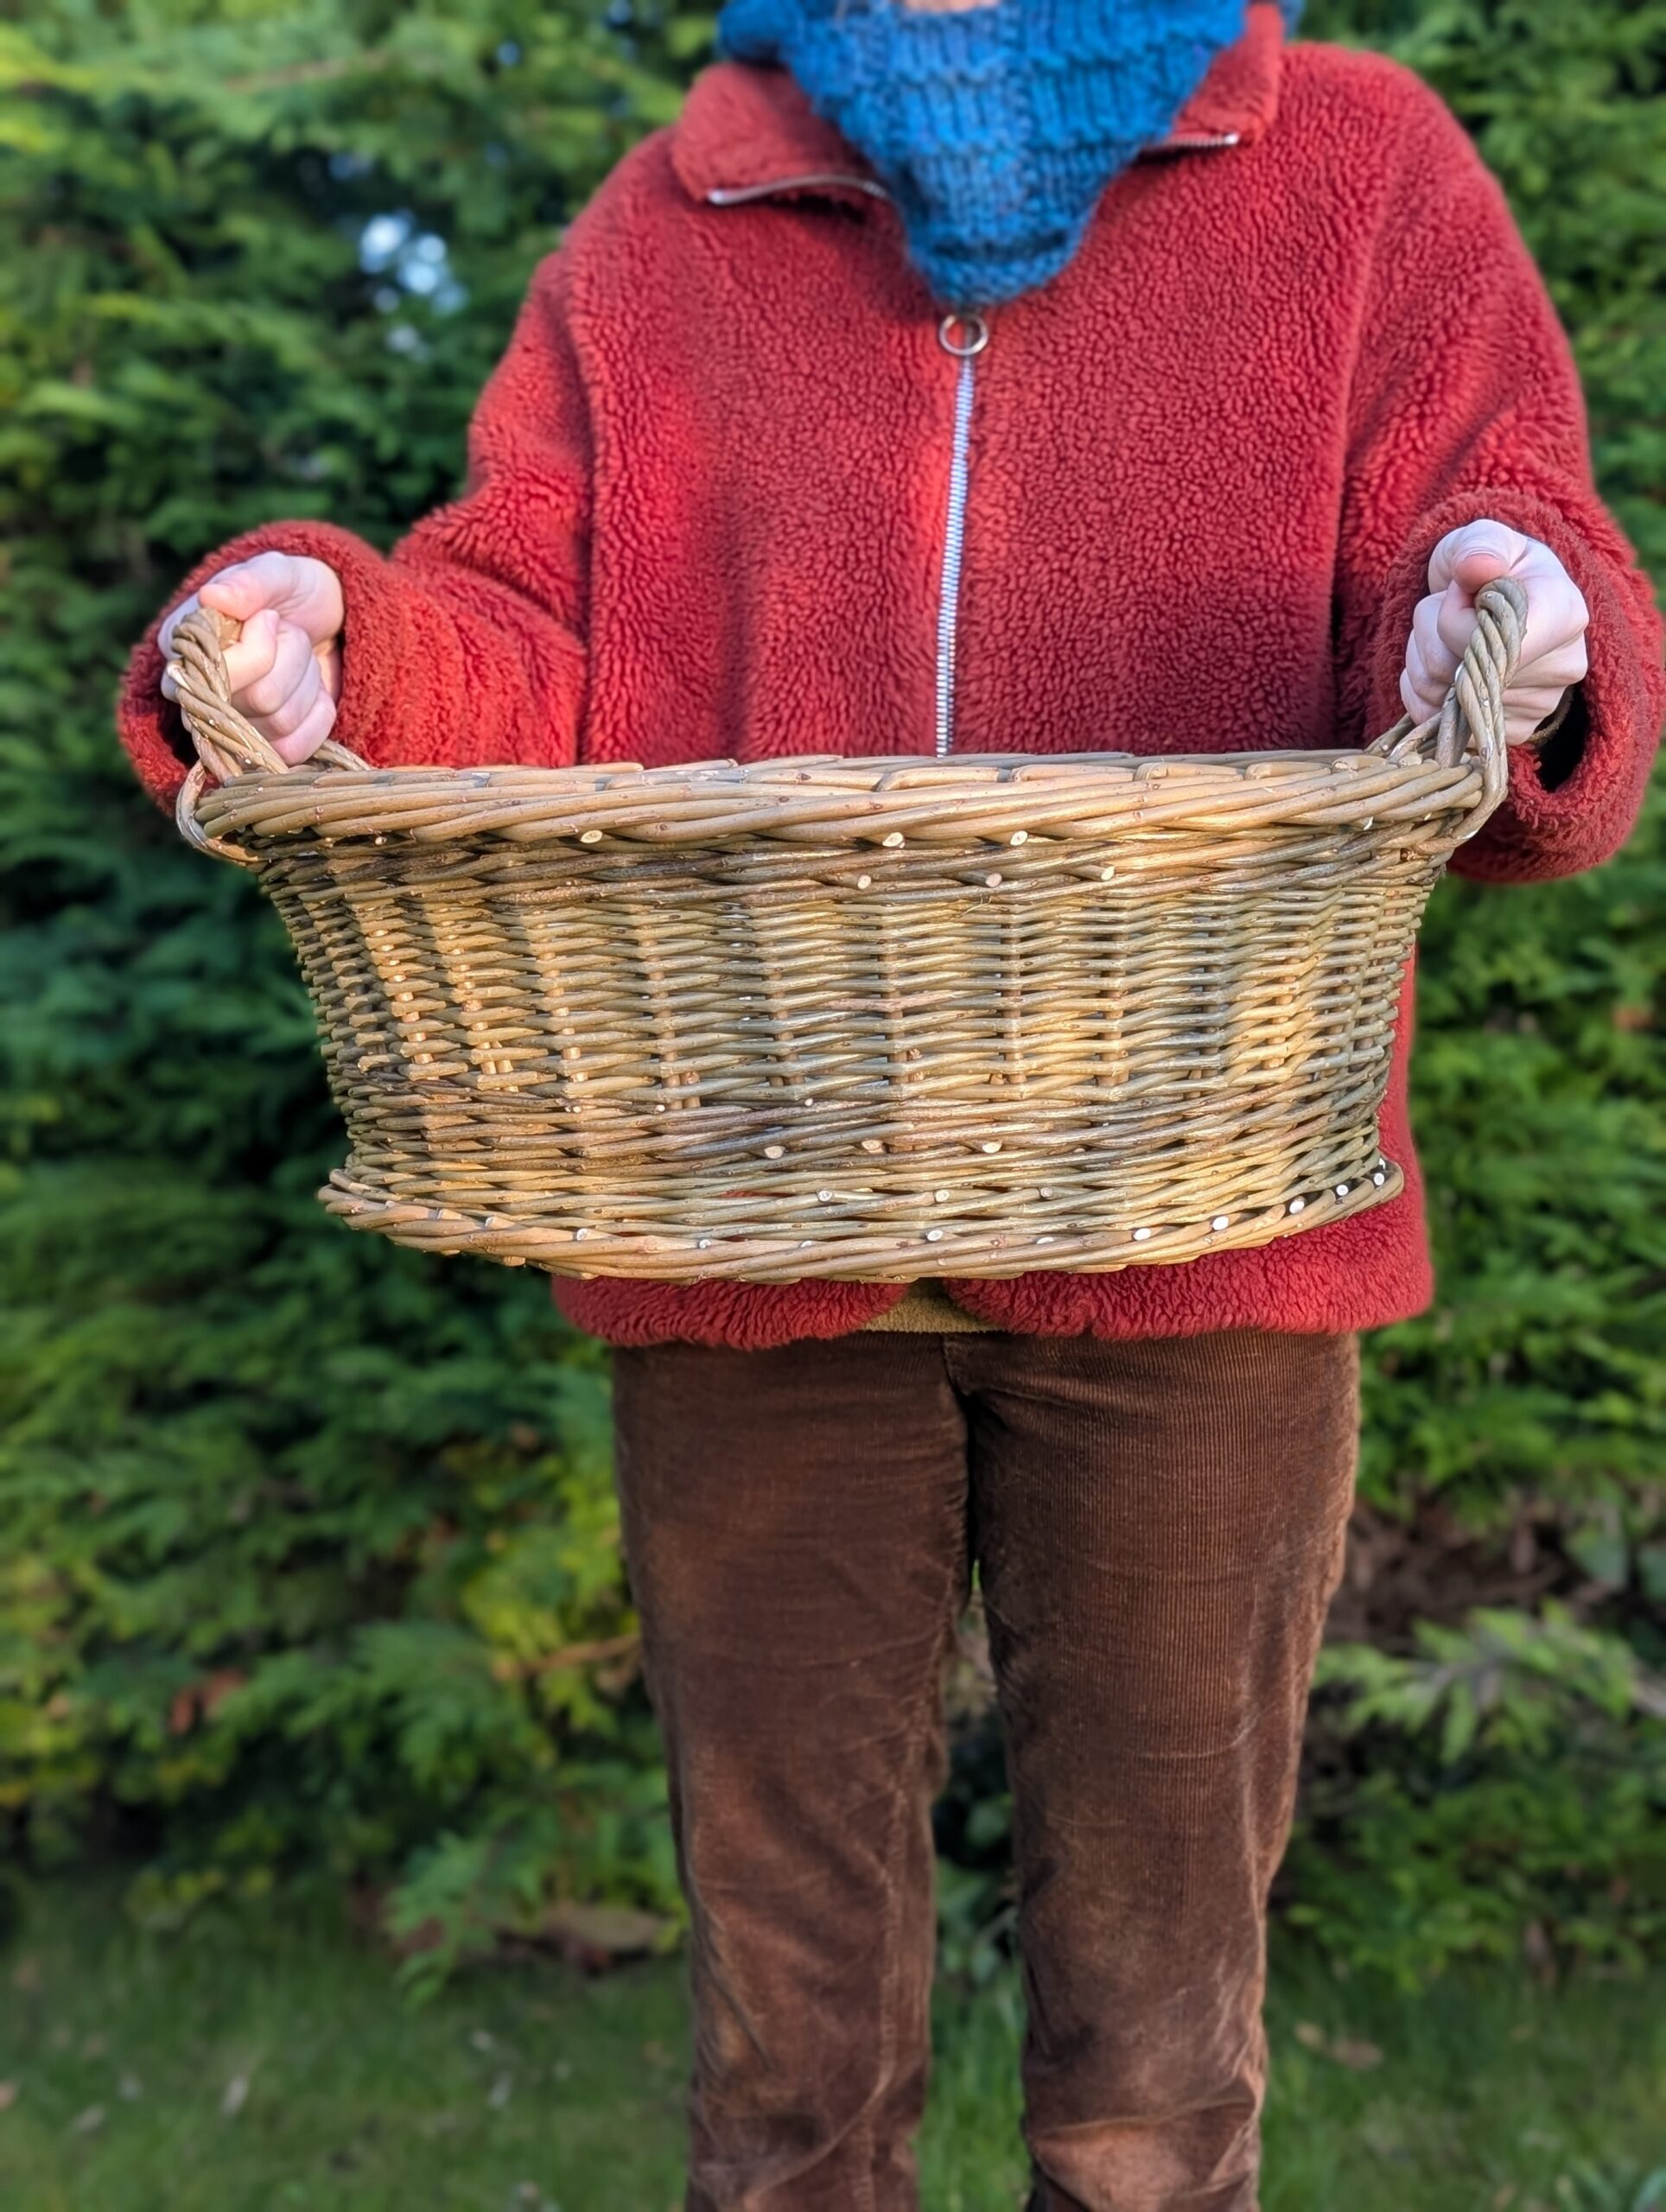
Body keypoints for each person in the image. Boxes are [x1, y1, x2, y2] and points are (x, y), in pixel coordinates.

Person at [118, 3, 1663, 2205]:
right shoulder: (674, 216)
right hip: (743, 1232)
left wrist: (1510, 623)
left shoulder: (1362, 175)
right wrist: (333, 638)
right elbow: (516, 629)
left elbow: (1510, 546)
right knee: (785, 2096)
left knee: (1150, 2087)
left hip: (1201, 1239)